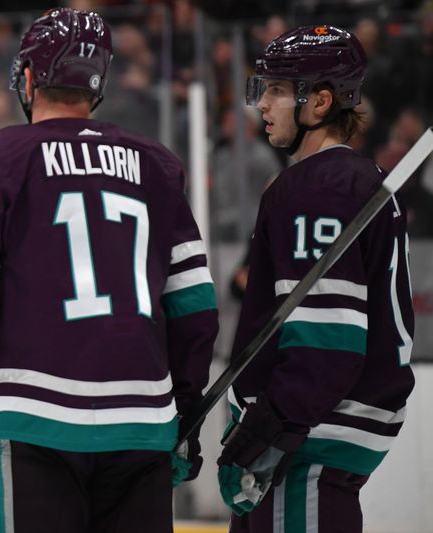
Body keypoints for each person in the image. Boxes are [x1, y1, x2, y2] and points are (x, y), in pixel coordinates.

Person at [0, 8, 218, 533]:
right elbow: (196, 309)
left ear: (27, 78)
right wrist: (184, 413)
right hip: (142, 427)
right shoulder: (157, 165)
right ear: (97, 83)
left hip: (30, 426)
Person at [216, 26, 415, 533]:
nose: (263, 104)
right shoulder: (357, 181)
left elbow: (327, 337)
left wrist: (271, 427)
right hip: (316, 435)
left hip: (305, 438)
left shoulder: (317, 186)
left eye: (278, 91)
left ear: (320, 101)